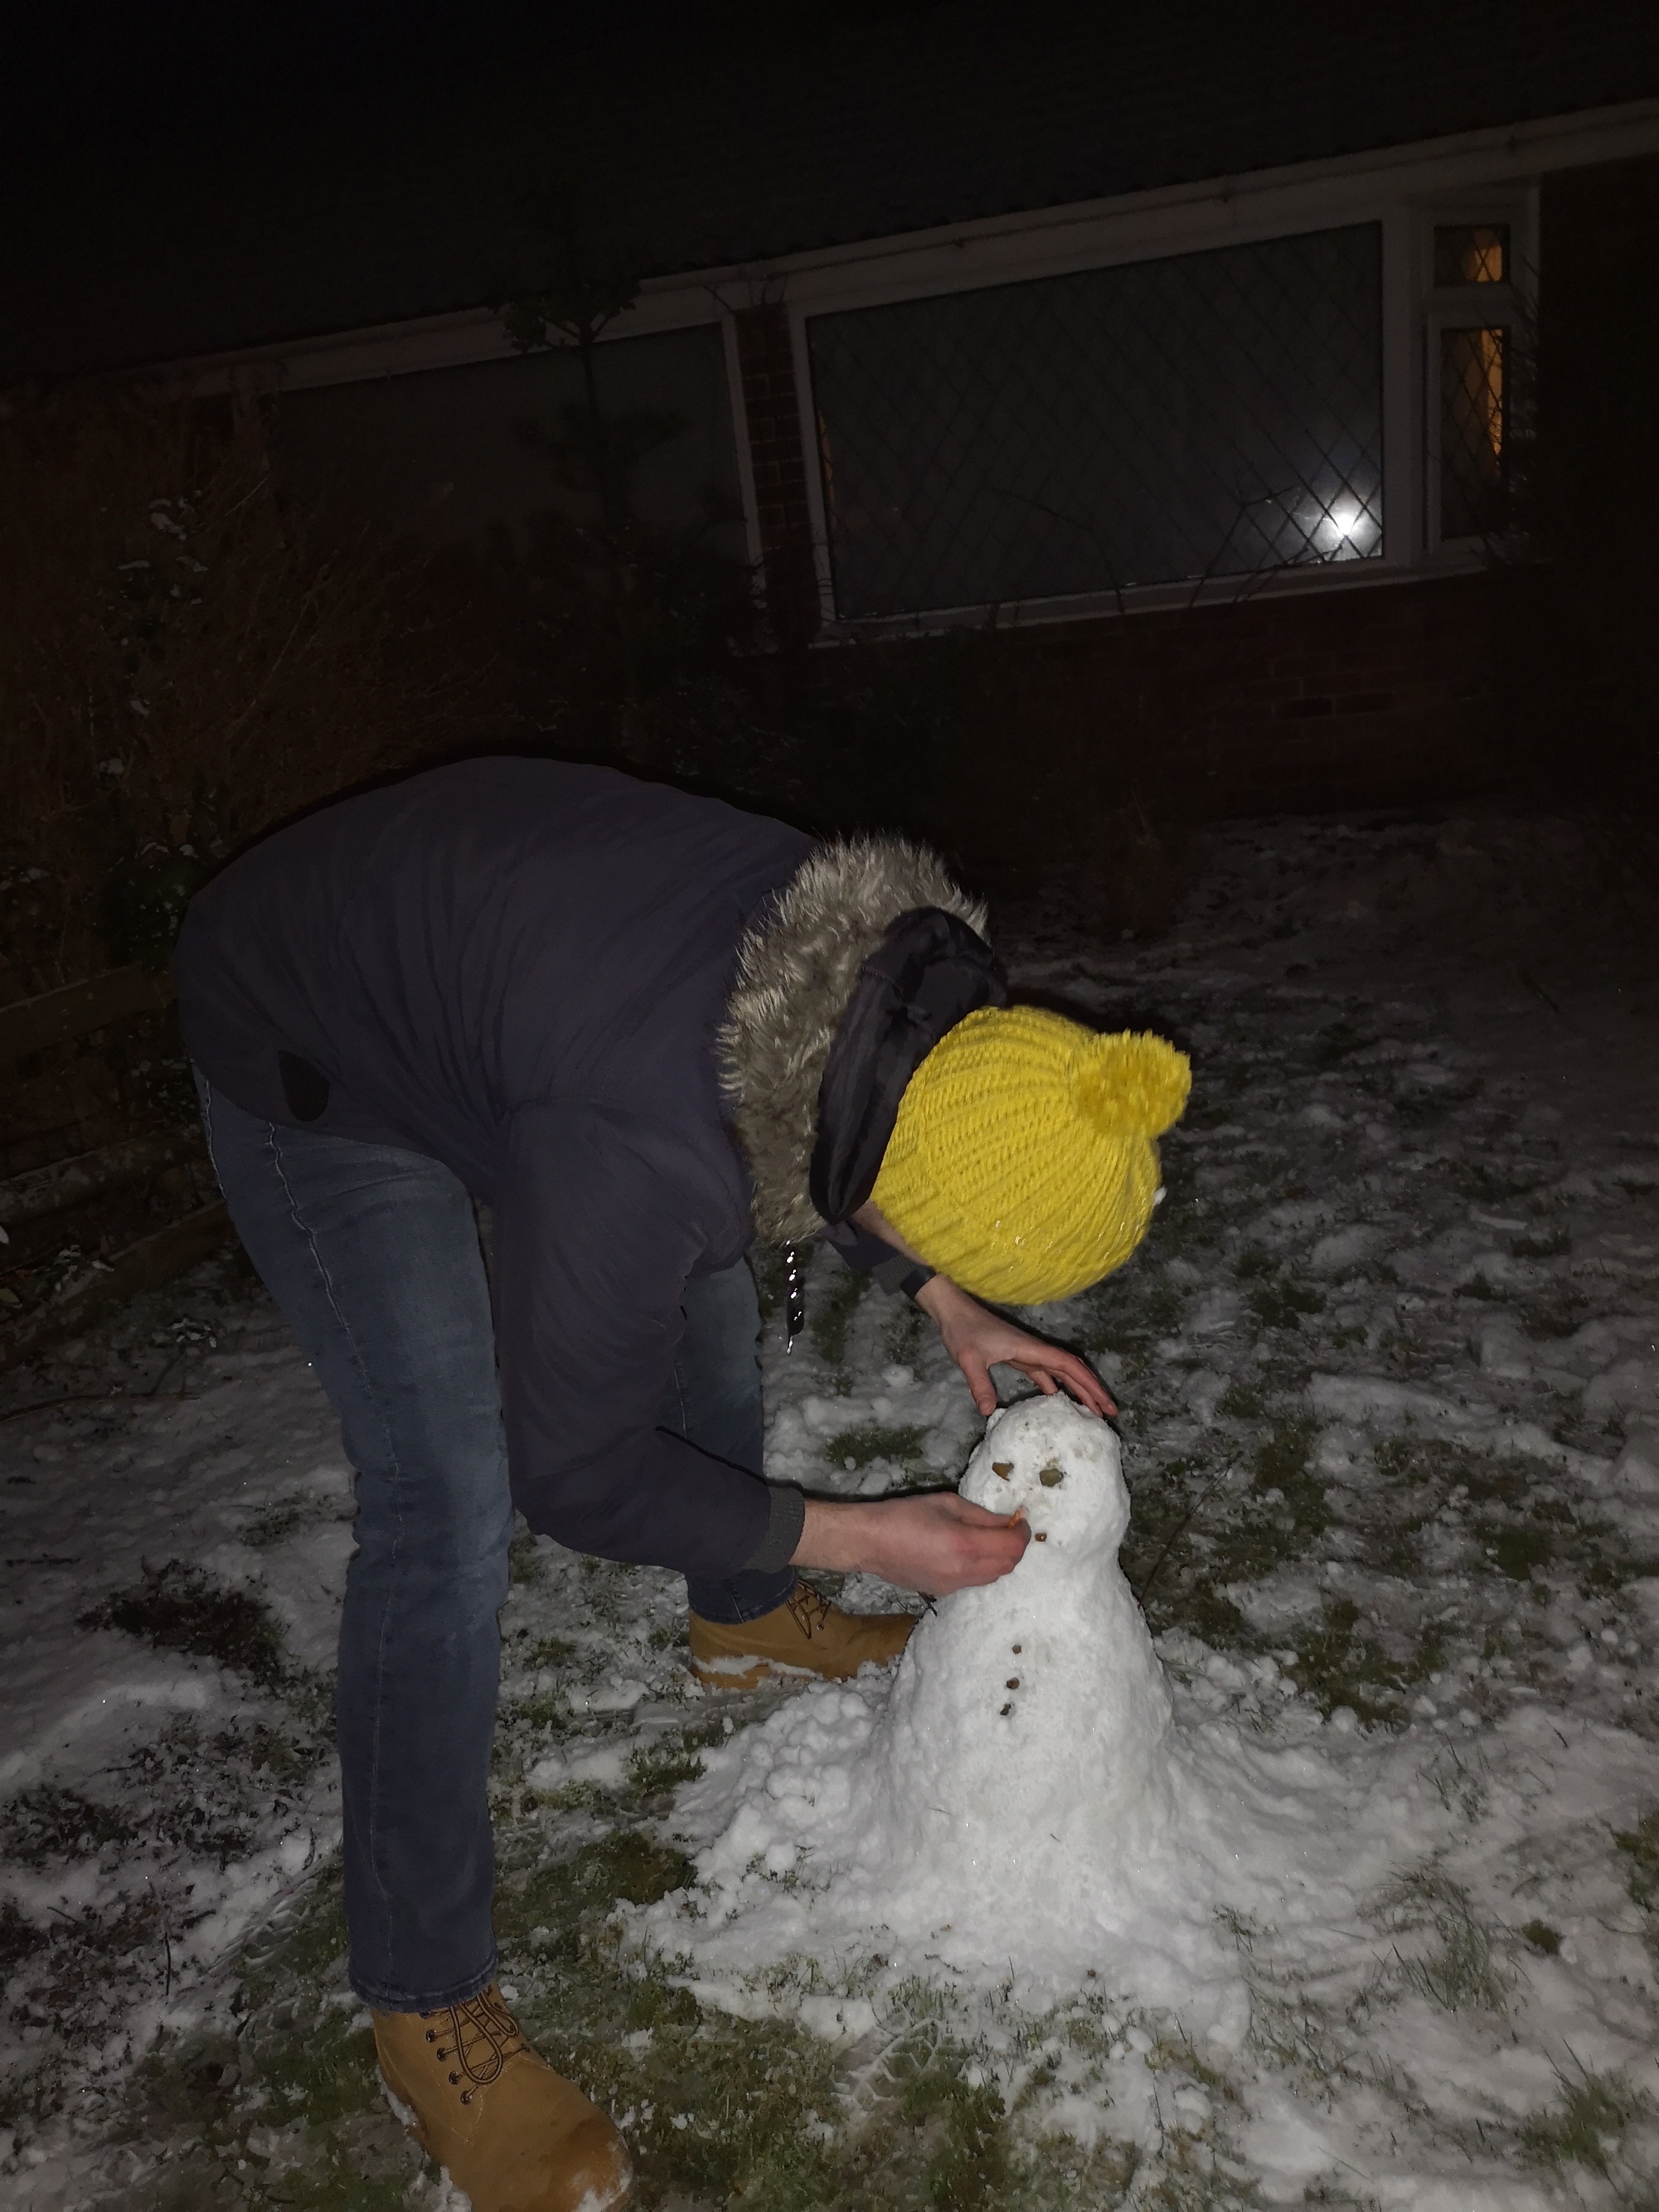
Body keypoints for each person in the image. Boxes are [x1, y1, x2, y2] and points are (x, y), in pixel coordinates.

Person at [174, 757, 1188, 2212]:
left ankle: (742, 1614)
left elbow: (861, 1137)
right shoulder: (645, 1135)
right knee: (446, 1498)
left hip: (505, 995)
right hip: (311, 1049)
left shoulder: (871, 975)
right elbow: (574, 1476)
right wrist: (858, 1533)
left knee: (715, 1268)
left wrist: (944, 1295)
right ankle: (422, 1999)